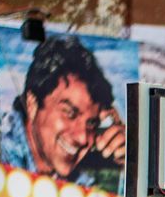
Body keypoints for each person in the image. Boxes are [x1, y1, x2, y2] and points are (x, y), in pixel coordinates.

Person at [18, 34, 125, 184]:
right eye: (70, 113)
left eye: (91, 123)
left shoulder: (81, 179)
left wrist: (130, 164)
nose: (82, 138)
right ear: (32, 105)